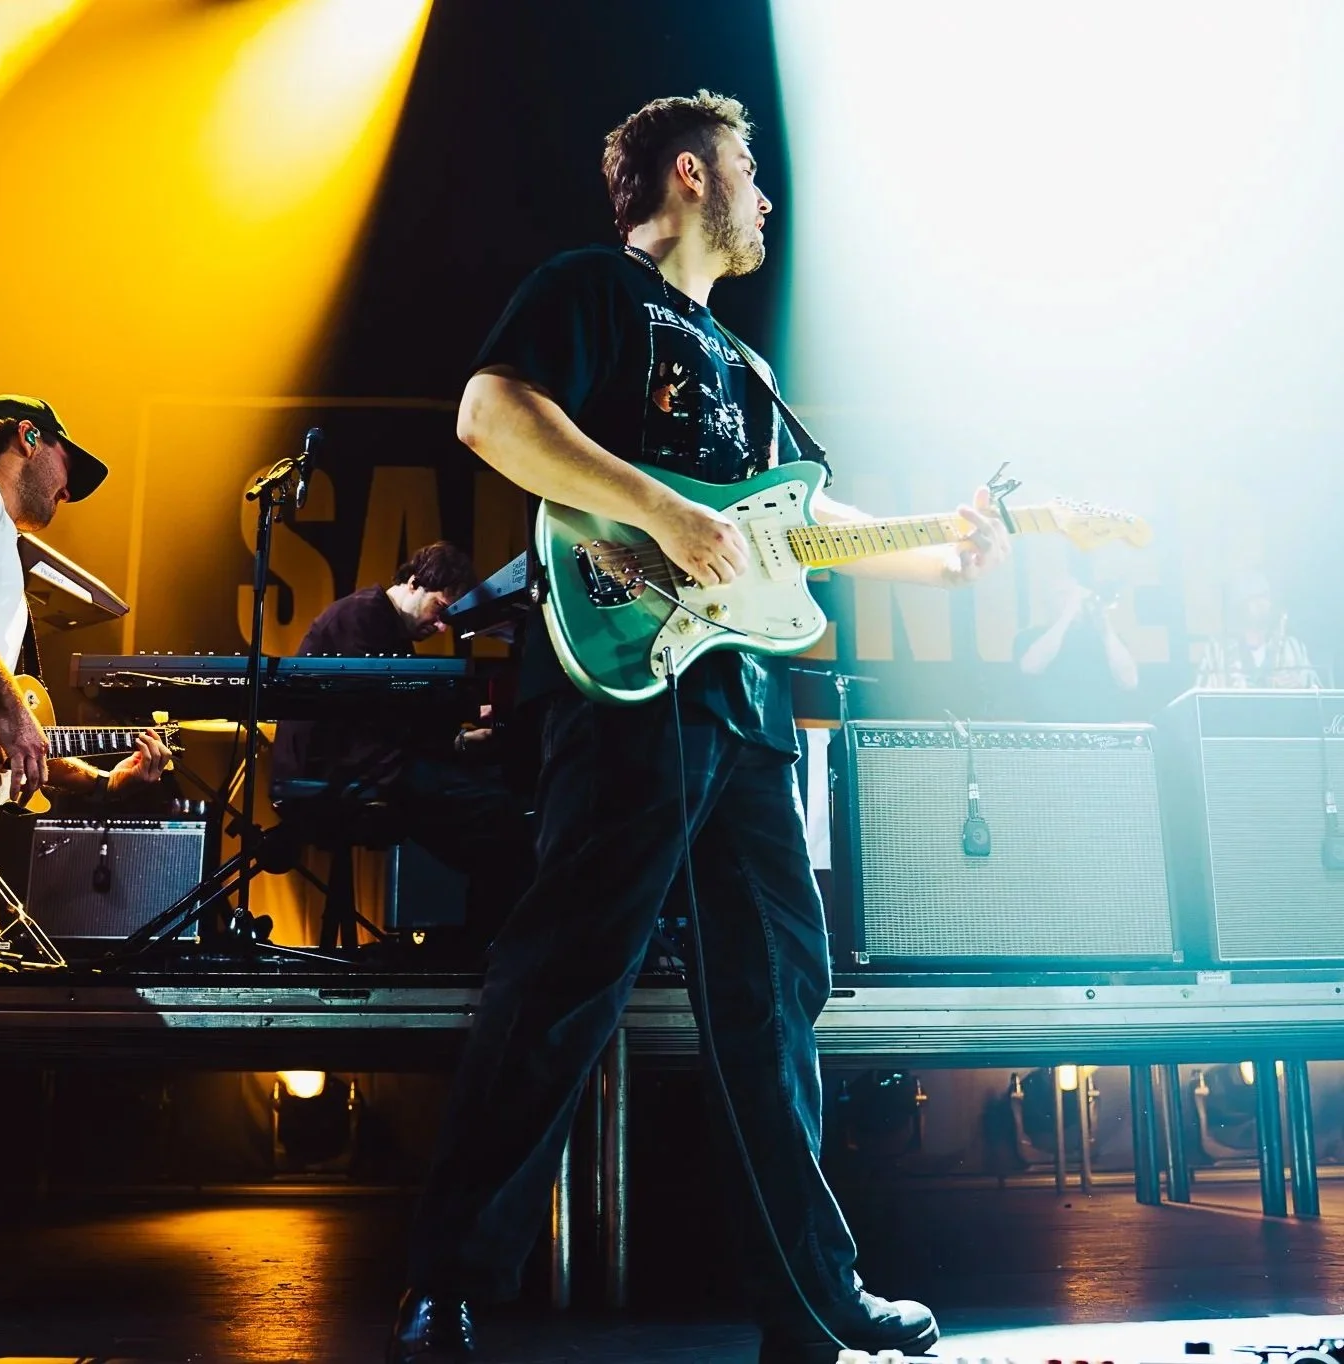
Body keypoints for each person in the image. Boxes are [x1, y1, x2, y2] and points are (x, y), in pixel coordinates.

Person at [387, 93, 1010, 1364]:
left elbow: (797, 523)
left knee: (776, 992)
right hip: (623, 684)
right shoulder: (593, 293)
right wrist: (664, 512)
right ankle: (448, 1280)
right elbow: (492, 414)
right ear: (690, 172)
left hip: (739, 705)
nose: (765, 199)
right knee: (565, 977)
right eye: (747, 172)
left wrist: (933, 550)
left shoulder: (750, 367)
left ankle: (810, 1295)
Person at [272, 543, 532, 952]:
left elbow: (397, 719)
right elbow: (377, 712)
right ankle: (480, 948)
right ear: (413, 583)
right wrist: (460, 730)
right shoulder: (360, 617)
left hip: (369, 764)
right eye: (440, 608)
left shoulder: (384, 628)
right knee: (498, 814)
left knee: (491, 805)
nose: (442, 627)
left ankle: (474, 943)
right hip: (342, 771)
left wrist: (458, 738)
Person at [0, 395, 171, 808]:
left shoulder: (2, 539)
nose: (67, 492)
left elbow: (3, 739)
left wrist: (104, 783)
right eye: (67, 465)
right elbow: (9, 715)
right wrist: (12, 706)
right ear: (28, 436)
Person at [1013, 567, 1139, 721]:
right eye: (1062, 594)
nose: (1073, 600)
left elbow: (1129, 681)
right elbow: (1030, 667)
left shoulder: (1108, 639)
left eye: (1076, 595)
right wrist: (1067, 615)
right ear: (1047, 602)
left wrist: (1105, 625)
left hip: (1101, 736)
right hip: (1050, 734)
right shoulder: (1029, 637)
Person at [1196, 569, 1319, 689]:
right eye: (1254, 597)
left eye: (1265, 596)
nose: (1262, 602)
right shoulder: (1216, 651)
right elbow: (1200, 701)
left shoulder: (1293, 648)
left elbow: (1320, 699)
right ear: (1240, 604)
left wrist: (1299, 688)